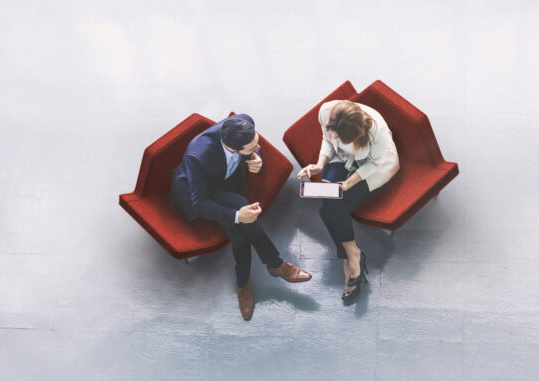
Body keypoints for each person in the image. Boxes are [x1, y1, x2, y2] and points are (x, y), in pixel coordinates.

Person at [171, 113, 312, 320]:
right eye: (252, 148)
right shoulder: (198, 157)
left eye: (256, 142)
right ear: (232, 148)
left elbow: (253, 151)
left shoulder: (244, 122)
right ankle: (269, 268)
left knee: (240, 229)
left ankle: (247, 282)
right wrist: (237, 216)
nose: (258, 148)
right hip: (201, 193)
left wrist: (255, 159)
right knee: (240, 221)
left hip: (226, 183)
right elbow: (199, 202)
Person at [296, 100, 399, 304]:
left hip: (372, 168)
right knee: (330, 203)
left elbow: (375, 163)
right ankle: (353, 254)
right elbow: (327, 140)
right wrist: (319, 165)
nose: (334, 135)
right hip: (341, 158)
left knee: (328, 208)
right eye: (333, 131)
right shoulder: (327, 112)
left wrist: (349, 183)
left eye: (338, 134)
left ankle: (348, 256)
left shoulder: (377, 132)